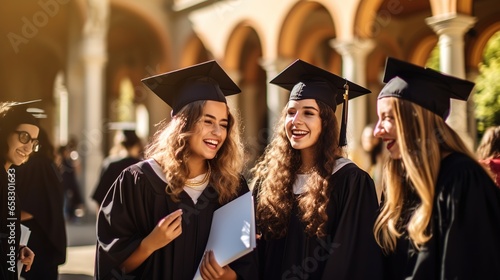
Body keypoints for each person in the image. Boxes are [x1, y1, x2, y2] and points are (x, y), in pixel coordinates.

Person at [95, 60, 258, 279]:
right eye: (208, 121)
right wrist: (149, 245)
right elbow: (110, 268)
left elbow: (250, 267)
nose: (218, 132)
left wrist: (228, 276)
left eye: (223, 124)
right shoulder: (138, 181)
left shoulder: (232, 188)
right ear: (184, 123)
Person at [251, 59, 385, 279]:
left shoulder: (350, 182)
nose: (296, 121)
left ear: (327, 123)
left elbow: (356, 259)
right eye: (291, 112)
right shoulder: (268, 183)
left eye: (308, 113)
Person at [373, 57, 500, 279]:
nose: (377, 131)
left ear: (416, 120)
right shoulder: (397, 183)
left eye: (388, 118)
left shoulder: (463, 180)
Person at [15, 126, 67, 280]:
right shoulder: (48, 164)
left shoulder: (38, 166)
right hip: (46, 242)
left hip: (38, 243)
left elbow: (33, 207)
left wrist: (6, 218)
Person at [0, 101, 37, 279]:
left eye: (34, 141)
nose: (29, 148)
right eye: (24, 137)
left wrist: (17, 247)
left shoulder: (8, 174)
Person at [91, 129, 144, 210]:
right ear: (137, 145)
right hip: (137, 217)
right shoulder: (142, 166)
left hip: (113, 216)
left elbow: (100, 198)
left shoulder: (110, 164)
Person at [57, 145, 85, 222]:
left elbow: (77, 170)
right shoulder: (61, 160)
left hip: (69, 183)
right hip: (64, 183)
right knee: (66, 200)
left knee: (71, 200)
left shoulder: (70, 160)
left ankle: (69, 216)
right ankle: (65, 216)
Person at [361, 123, 385, 203]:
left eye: (371, 137)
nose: (367, 140)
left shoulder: (382, 159)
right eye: (365, 137)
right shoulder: (356, 157)